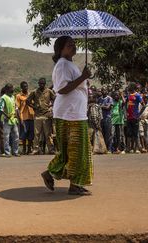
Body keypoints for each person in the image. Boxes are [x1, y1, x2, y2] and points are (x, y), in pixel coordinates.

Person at [40, 36, 93, 196]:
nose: (74, 46)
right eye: (70, 45)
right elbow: (62, 89)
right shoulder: (62, 65)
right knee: (76, 150)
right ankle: (74, 185)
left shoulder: (69, 64)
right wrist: (83, 77)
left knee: (75, 150)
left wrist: (82, 79)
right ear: (60, 49)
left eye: (74, 44)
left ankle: (54, 174)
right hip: (70, 114)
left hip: (75, 112)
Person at [27, 78, 56, 155]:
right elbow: (28, 101)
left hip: (47, 115)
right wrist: (33, 107)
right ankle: (35, 149)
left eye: (43, 84)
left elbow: (55, 99)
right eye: (40, 84)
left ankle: (51, 149)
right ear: (38, 84)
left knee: (48, 134)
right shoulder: (34, 92)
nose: (41, 85)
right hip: (37, 115)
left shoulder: (49, 91)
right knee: (36, 134)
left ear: (45, 84)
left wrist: (51, 105)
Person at [0, 84, 19, 157]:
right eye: (10, 88)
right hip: (6, 120)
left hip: (13, 119)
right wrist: (6, 115)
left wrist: (16, 115)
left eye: (12, 88)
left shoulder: (12, 97)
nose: (12, 89)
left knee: (16, 136)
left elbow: (15, 107)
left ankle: (15, 151)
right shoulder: (3, 98)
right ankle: (7, 152)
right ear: (6, 90)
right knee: (6, 136)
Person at [16, 81, 35, 155]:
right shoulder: (18, 96)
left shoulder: (31, 94)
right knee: (24, 133)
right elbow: (17, 107)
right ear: (21, 87)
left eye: (26, 86)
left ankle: (29, 149)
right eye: (24, 86)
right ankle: (24, 149)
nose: (26, 88)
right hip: (23, 117)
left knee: (31, 133)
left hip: (31, 116)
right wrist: (19, 118)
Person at [125, 82, 142, 153]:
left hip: (135, 117)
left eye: (129, 87)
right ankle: (128, 148)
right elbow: (126, 103)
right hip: (129, 117)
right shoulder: (129, 95)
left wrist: (139, 114)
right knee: (129, 133)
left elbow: (143, 105)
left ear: (132, 87)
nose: (128, 88)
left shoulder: (137, 95)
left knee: (135, 134)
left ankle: (136, 148)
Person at [98, 87, 114, 152]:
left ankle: (109, 148)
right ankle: (104, 148)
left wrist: (101, 106)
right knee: (103, 133)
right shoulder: (99, 99)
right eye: (102, 90)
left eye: (104, 90)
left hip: (108, 118)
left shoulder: (109, 98)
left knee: (108, 134)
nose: (103, 91)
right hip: (101, 118)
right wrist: (102, 106)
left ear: (107, 91)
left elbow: (108, 107)